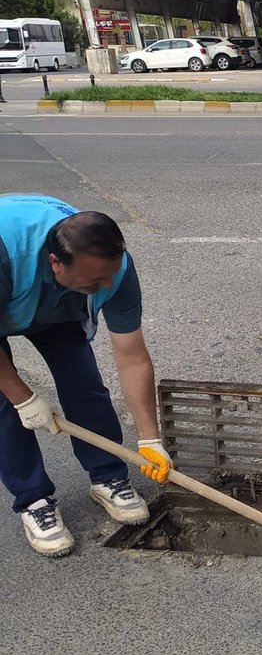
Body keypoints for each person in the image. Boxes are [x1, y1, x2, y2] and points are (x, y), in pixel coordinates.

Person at [0, 195, 172, 557]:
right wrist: (24, 398)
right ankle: (34, 500)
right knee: (5, 403)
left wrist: (149, 439)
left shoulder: (115, 271)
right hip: (12, 281)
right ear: (56, 263)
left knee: (85, 384)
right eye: (97, 279)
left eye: (110, 274)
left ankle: (108, 477)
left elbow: (132, 357)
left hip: (56, 302)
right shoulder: (6, 256)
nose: (108, 285)